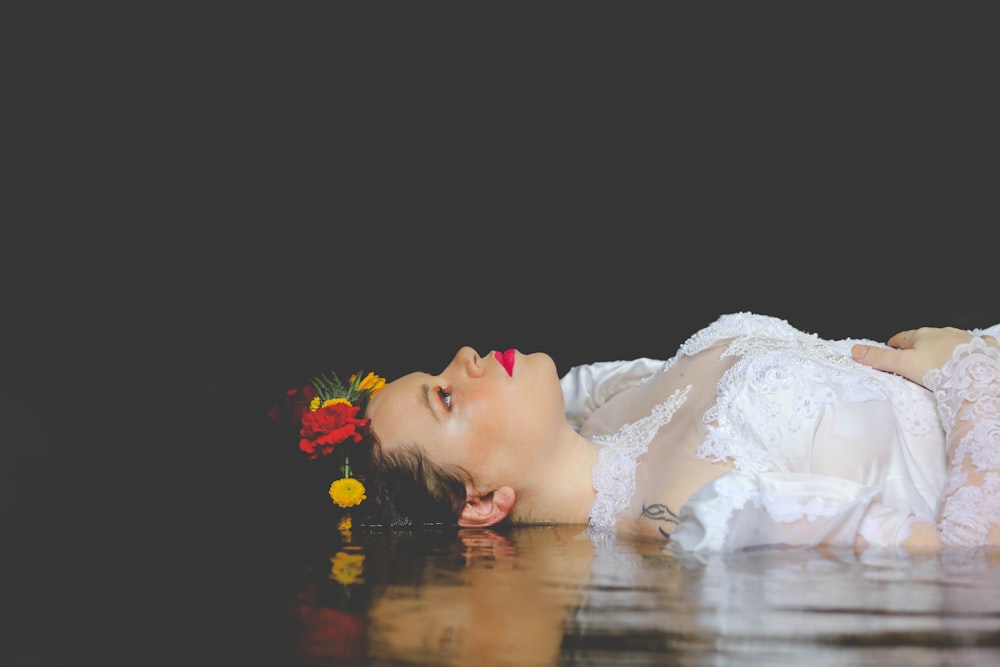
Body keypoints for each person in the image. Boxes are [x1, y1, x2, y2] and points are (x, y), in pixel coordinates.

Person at [273, 312, 1000, 554]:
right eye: (444, 398)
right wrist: (970, 370)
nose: (462, 361)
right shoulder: (697, 512)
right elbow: (969, 559)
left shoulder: (605, 406)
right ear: (481, 501)